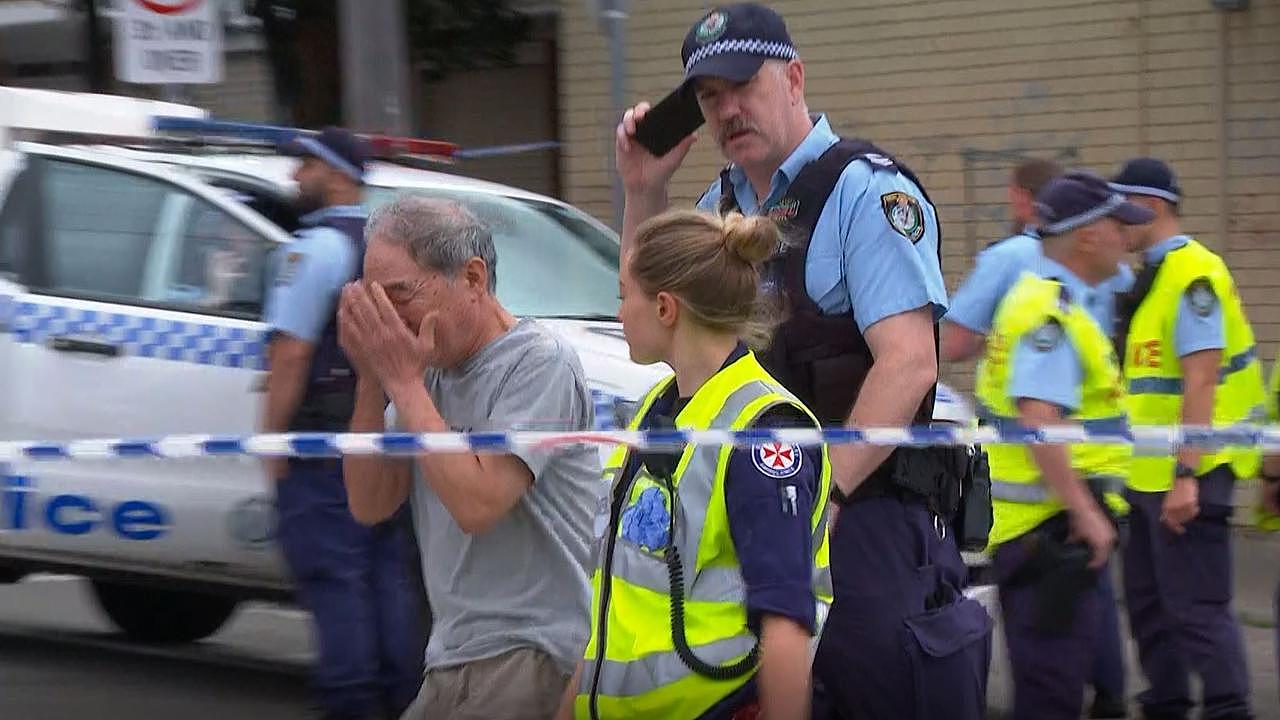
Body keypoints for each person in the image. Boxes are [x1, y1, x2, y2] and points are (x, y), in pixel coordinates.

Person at [613, 5, 991, 717]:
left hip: (864, 514)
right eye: (708, 98)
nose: (727, 109)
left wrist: (828, 497)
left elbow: (907, 365)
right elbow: (652, 320)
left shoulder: (865, 192)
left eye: (741, 86)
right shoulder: (716, 207)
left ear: (793, 78)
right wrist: (643, 190)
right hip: (755, 520)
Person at [336, 196, 601, 720]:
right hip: (453, 653)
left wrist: (404, 384)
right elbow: (370, 502)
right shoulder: (427, 370)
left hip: (532, 651)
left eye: (400, 295)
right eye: (373, 300)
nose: (388, 316)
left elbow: (478, 504)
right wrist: (371, 377)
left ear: (474, 278)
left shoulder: (537, 362)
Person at [560, 209, 831, 720]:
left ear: (665, 308)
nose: (618, 314)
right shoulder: (656, 409)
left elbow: (785, 624)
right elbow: (610, 592)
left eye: (624, 296)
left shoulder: (762, 432)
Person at [943, 157, 1132, 719]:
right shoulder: (1049, 312)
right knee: (1051, 691)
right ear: (1090, 237)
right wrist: (1087, 513)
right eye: (1119, 228)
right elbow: (1039, 420)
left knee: (1048, 679)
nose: (1127, 239)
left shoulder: (1038, 296)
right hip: (1049, 530)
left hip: (1039, 526)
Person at [259, 127, 420, 720]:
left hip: (323, 449)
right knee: (386, 577)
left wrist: (273, 440)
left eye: (306, 165)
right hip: (386, 437)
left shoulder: (316, 249)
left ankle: (354, 705)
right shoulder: (388, 247)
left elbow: (291, 353)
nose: (296, 176)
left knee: (337, 578)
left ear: (336, 173)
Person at [1111, 156, 1266, 720]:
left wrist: (1187, 475)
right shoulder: (1149, 276)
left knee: (1197, 610)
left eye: (1121, 209)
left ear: (1149, 207)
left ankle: (1229, 709)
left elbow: (1200, 379)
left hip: (1188, 476)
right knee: (1153, 609)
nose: (1113, 223)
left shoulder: (1194, 273)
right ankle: (1167, 704)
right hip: (1148, 476)